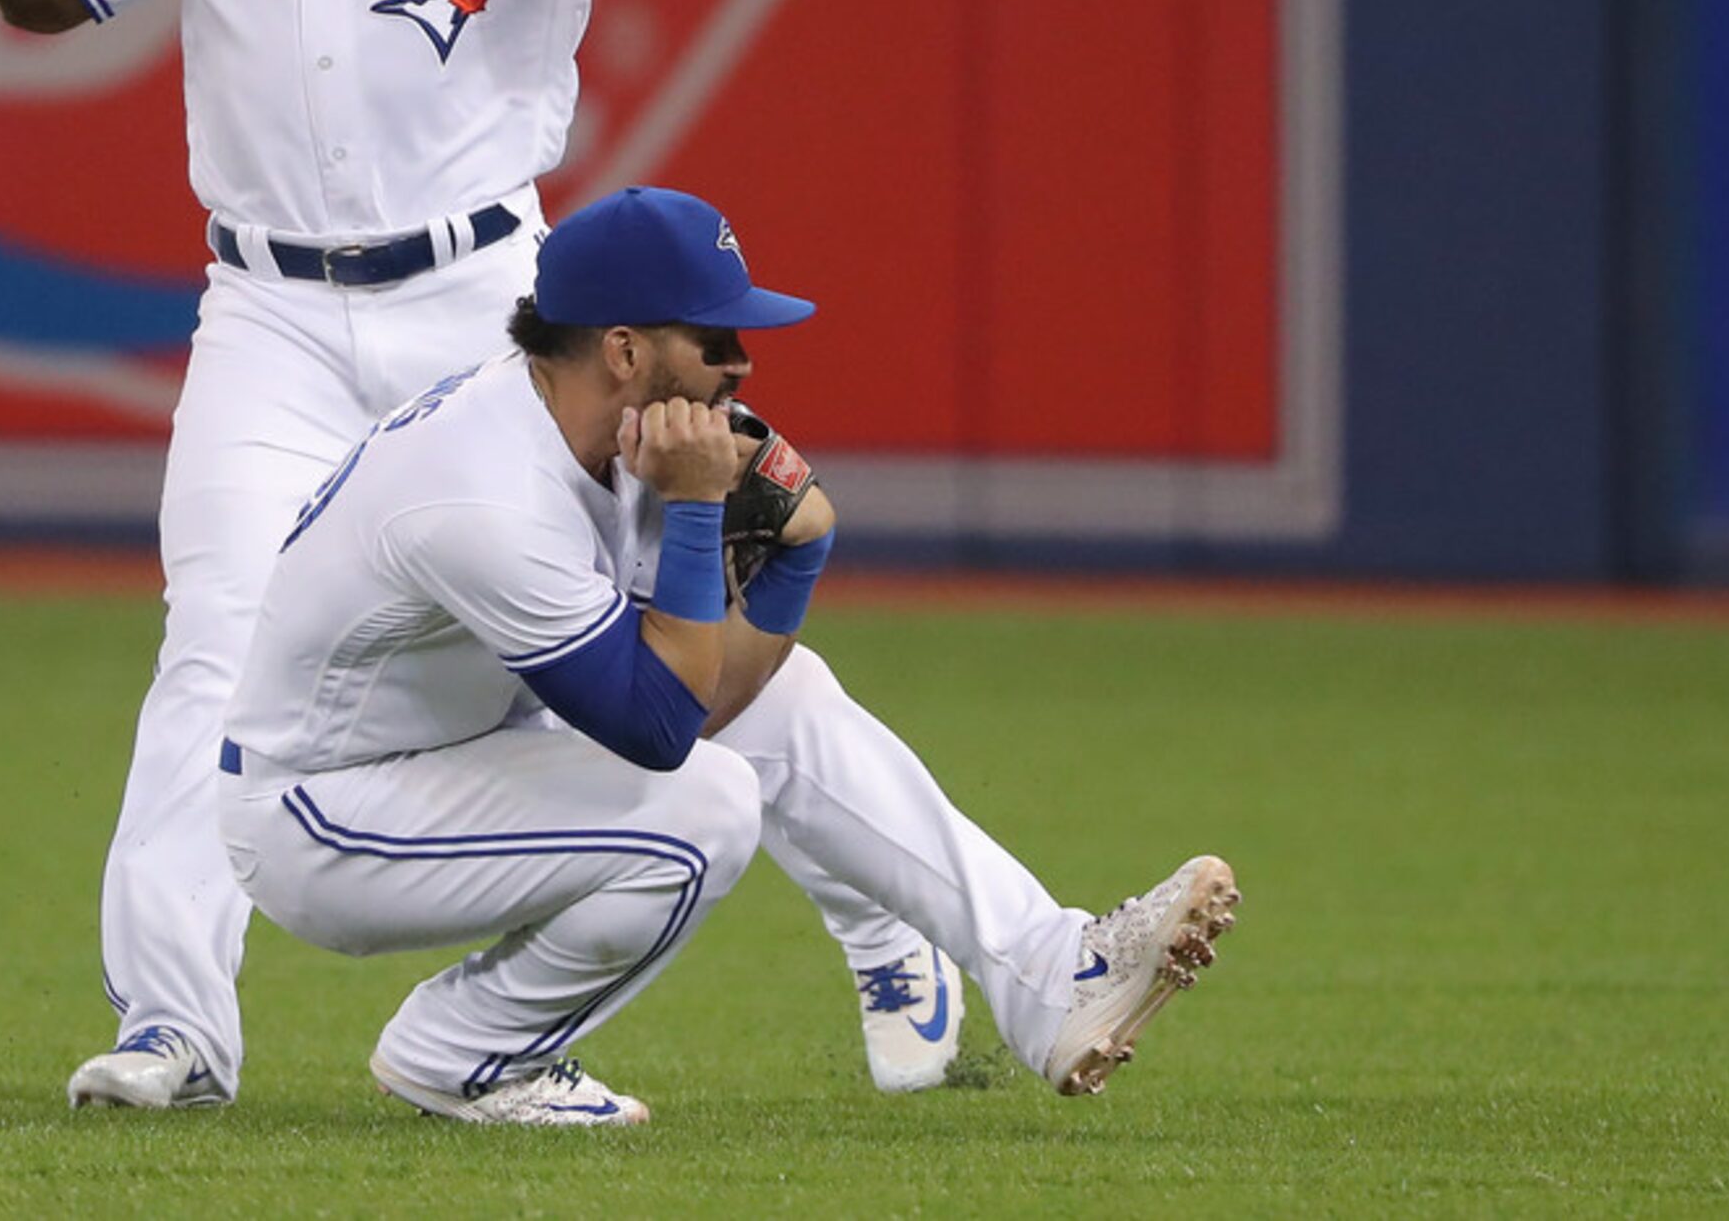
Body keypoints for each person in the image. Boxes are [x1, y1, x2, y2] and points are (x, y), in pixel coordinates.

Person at [0, 0, 957, 1110]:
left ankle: (891, 923)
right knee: (213, 650)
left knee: (645, 616)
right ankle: (175, 1032)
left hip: (482, 299)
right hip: (270, 314)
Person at [220, 187, 1242, 1122]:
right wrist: (706, 510)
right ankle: (468, 1051)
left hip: (453, 752)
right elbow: (663, 731)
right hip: (323, 817)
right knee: (698, 807)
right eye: (713, 336)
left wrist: (797, 556)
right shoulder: (483, 497)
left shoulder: (611, 433)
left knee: (786, 699)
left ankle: (1050, 973)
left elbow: (713, 697)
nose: (741, 362)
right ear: (622, 351)